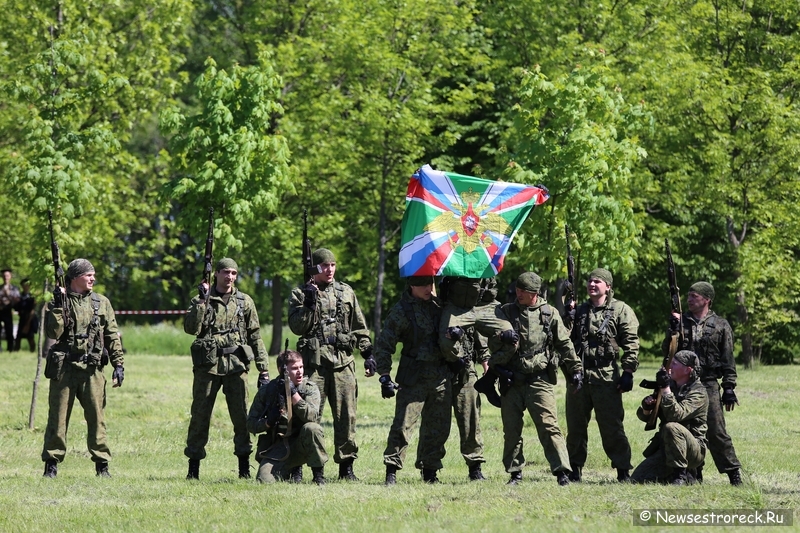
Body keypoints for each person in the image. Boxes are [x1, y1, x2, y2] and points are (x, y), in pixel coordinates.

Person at [288, 248, 374, 481]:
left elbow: (359, 325)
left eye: (333, 265)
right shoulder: (300, 293)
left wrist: (367, 353)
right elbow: (297, 327)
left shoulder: (346, 291)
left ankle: (346, 468)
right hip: (314, 365)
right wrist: (307, 303)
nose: (330, 270)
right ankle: (298, 466)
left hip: (343, 363)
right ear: (314, 269)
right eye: (325, 266)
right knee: (307, 415)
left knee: (347, 416)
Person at [492, 272, 582, 486]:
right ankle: (515, 473)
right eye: (518, 289)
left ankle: (562, 472)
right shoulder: (505, 312)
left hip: (539, 378)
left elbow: (564, 344)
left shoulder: (549, 314)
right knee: (511, 428)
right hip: (512, 378)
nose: (518, 294)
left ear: (535, 293)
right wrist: (500, 338)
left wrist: (576, 369)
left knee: (549, 425)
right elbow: (491, 341)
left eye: (523, 291)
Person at [183, 258, 270, 480]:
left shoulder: (245, 301)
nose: (229, 276)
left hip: (236, 366)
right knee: (200, 416)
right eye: (225, 272)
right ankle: (193, 469)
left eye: (233, 273)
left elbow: (255, 336)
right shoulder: (201, 299)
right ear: (216, 274)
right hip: (208, 367)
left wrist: (264, 369)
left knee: (241, 417)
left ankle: (243, 468)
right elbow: (191, 328)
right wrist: (202, 302)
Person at [41, 259, 125, 478]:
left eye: (93, 275)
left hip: (92, 370)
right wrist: (59, 305)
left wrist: (118, 364)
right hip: (64, 369)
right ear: (76, 277)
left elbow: (112, 335)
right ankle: (51, 464)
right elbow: (53, 333)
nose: (92, 279)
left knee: (97, 418)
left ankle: (102, 465)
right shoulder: (59, 301)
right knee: (58, 418)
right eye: (88, 275)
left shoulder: (102, 302)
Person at [662, 281, 742, 485]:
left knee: (716, 430)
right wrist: (671, 332)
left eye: (694, 296)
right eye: (688, 296)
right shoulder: (681, 323)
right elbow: (667, 352)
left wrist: (729, 386)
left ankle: (733, 473)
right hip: (683, 383)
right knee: (682, 425)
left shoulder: (721, 325)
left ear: (707, 299)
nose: (688, 300)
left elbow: (728, 358)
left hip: (708, 383)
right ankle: (690, 472)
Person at [566, 268, 640, 482]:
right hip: (579, 376)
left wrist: (628, 372)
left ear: (608, 286)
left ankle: (623, 470)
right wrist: (568, 315)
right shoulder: (579, 311)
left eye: (597, 281)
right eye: (590, 281)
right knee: (576, 427)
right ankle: (574, 469)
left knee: (611, 426)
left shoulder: (621, 310)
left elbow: (631, 343)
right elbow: (564, 339)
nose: (592, 284)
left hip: (606, 377)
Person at [375, 276, 450, 484]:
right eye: (422, 285)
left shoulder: (440, 307)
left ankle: (430, 471)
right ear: (411, 286)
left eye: (430, 284)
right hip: (414, 377)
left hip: (440, 377)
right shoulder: (402, 311)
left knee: (437, 428)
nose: (428, 289)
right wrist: (384, 375)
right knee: (402, 426)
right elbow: (385, 344)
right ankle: (391, 471)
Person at [247, 349, 327, 484]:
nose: (300, 372)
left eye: (301, 367)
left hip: (302, 445)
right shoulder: (267, 391)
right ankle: (289, 471)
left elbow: (312, 417)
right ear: (281, 370)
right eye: (294, 368)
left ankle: (318, 476)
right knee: (264, 480)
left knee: (312, 428)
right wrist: (267, 422)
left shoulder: (309, 388)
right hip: (279, 448)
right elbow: (250, 424)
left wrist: (294, 393)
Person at [632, 350, 708, 484]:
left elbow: (676, 415)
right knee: (637, 479)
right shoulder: (670, 386)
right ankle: (674, 475)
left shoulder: (698, 392)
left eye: (674, 364)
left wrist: (665, 389)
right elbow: (647, 419)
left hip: (693, 449)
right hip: (667, 448)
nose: (669, 367)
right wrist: (647, 407)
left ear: (687, 370)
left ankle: (680, 476)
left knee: (671, 427)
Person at [449, 326, 489, 481]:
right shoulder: (435, 306)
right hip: (438, 370)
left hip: (466, 371)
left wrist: (486, 366)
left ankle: (475, 468)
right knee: (435, 423)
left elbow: (480, 341)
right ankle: (429, 470)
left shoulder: (470, 309)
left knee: (471, 420)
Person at [14, 278, 38, 352]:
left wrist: (28, 322)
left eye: (27, 285)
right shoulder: (20, 296)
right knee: (19, 336)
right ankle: (16, 350)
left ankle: (32, 351)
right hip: (22, 317)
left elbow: (33, 309)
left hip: (30, 318)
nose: (25, 286)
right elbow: (16, 308)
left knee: (30, 336)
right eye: (23, 285)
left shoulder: (32, 296)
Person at [1, 268, 21, 352]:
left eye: (7, 275)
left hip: (8, 311)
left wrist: (9, 297)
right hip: (0, 311)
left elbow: (18, 300)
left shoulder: (14, 288)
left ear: (10, 276)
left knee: (9, 330)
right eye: (4, 275)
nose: (6, 277)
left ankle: (10, 349)